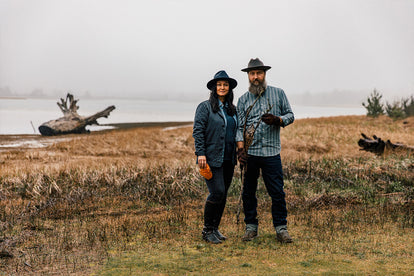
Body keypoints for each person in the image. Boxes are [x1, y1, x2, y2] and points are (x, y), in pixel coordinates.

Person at [236, 58, 295, 243]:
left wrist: (278, 120)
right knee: (248, 192)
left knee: (277, 192)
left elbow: (290, 115)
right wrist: (240, 150)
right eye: (252, 74)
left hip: (271, 153)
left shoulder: (279, 94)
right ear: (248, 76)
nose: (256, 77)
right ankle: (251, 228)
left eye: (259, 73)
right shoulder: (243, 100)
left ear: (264, 74)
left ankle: (281, 229)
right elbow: (239, 128)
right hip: (250, 154)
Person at [193, 70, 238, 244]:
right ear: (214, 87)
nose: (222, 87)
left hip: (229, 157)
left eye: (225, 84)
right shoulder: (204, 107)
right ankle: (207, 230)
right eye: (219, 84)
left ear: (229, 88)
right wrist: (200, 153)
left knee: (224, 194)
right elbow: (198, 131)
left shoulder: (231, 109)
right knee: (216, 192)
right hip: (211, 157)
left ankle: (215, 228)